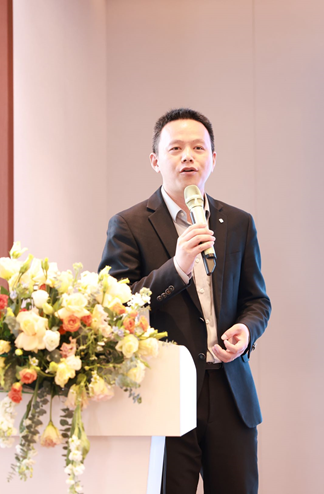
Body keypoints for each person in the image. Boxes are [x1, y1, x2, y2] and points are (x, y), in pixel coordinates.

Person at [99, 108, 271, 494]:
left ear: (213, 158)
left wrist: (246, 330)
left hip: (230, 391)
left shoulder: (238, 222)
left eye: (198, 147)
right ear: (155, 161)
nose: (188, 156)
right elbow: (114, 306)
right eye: (175, 148)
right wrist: (177, 268)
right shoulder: (129, 225)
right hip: (165, 392)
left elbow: (257, 300)